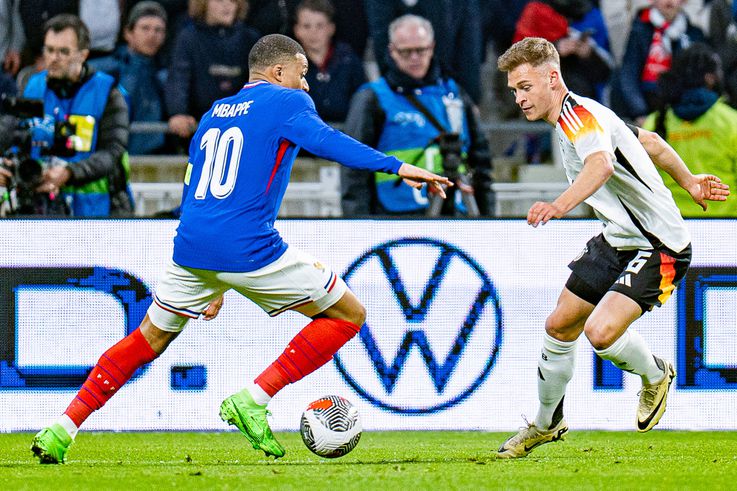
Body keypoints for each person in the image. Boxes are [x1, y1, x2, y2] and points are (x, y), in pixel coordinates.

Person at [30, 33, 452, 464]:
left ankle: (61, 428)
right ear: (279, 72)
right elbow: (329, 142)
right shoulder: (287, 102)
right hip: (249, 247)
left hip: (192, 247)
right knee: (348, 315)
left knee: (147, 338)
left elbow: (193, 185)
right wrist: (397, 166)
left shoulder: (214, 112)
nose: (306, 84)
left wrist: (211, 282)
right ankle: (254, 398)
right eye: (302, 74)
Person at [494, 37, 729, 459]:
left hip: (660, 245)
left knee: (600, 332)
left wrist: (559, 205)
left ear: (552, 78)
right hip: (618, 238)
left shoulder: (579, 118)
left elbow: (600, 165)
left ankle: (656, 374)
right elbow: (650, 141)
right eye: (514, 90)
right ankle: (546, 424)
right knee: (559, 326)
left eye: (525, 87)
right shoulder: (587, 113)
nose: (519, 98)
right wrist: (690, 181)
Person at [341, 14, 494, 216]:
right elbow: (354, 168)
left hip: (456, 213)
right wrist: (358, 222)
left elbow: (481, 162)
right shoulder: (373, 98)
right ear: (392, 51)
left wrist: (488, 217)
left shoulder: (454, 94)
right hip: (395, 215)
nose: (414, 58)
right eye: (406, 52)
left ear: (432, 47)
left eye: (421, 50)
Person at [1, 14, 132, 217]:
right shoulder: (32, 87)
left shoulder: (108, 93)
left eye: (63, 52)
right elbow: (11, 135)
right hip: (39, 209)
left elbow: (112, 152)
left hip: (97, 213)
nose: (54, 58)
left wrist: (69, 173)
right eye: (49, 50)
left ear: (83, 55)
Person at [644, 43, 737, 217]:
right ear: (710, 78)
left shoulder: (653, 124)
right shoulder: (731, 121)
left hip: (671, 223)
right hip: (726, 224)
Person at [166, 0, 260, 143]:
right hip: (199, 128)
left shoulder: (250, 39)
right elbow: (179, 77)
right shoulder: (189, 37)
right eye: (219, 0)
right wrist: (178, 112)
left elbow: (261, 82)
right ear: (203, 4)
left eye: (233, 1)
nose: (227, 5)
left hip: (243, 128)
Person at [90, 2, 169, 155]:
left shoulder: (167, 74)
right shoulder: (104, 69)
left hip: (155, 155)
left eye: (158, 30)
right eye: (145, 28)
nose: (152, 35)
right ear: (128, 33)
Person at [611, 0, 704, 125]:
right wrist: (640, 112)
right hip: (645, 108)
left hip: (679, 111)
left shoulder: (693, 34)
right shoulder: (639, 29)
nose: (669, 1)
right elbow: (629, 74)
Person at [292, 0, 366, 123]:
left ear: (331, 28)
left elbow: (362, 104)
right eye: (306, 26)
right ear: (296, 30)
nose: (313, 32)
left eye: (320, 26)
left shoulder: (349, 60)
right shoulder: (289, 65)